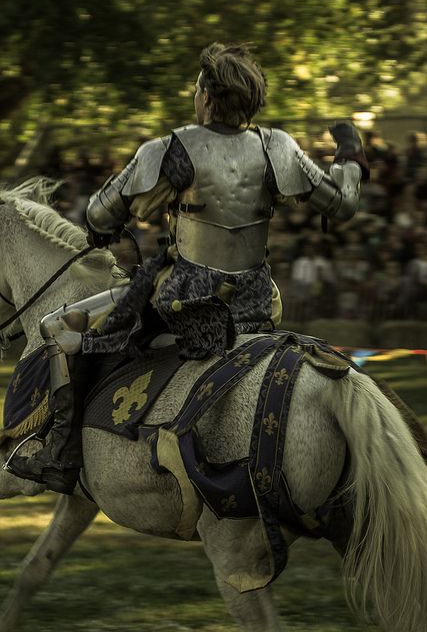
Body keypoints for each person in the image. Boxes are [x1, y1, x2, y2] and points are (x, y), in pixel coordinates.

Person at [7, 42, 369, 494]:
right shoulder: (278, 147)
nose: (195, 97)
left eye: (198, 89)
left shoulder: (172, 149)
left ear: (208, 98)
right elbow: (344, 203)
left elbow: (99, 214)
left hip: (185, 303)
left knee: (58, 327)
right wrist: (350, 151)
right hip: (257, 306)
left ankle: (60, 454)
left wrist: (108, 229)